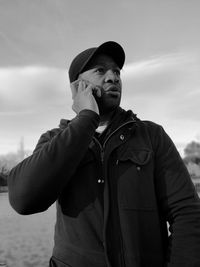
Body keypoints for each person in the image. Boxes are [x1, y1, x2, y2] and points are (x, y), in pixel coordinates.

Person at [8, 41, 200, 267]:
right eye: (100, 70)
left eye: (117, 71)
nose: (113, 77)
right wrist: (87, 117)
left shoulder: (152, 136)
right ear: (77, 87)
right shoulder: (54, 140)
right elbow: (23, 200)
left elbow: (187, 214)